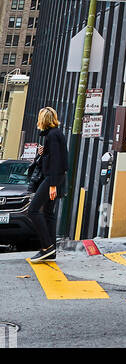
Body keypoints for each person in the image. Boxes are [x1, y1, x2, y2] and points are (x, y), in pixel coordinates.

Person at [25, 106, 68, 263]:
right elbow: (55, 157)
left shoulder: (52, 136)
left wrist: (52, 185)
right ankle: (51, 251)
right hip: (56, 177)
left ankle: (47, 247)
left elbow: (57, 161)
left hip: (52, 178)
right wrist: (44, 153)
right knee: (49, 212)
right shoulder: (55, 134)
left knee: (33, 210)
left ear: (43, 120)